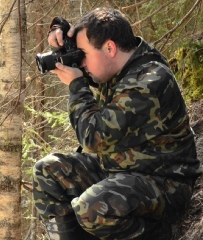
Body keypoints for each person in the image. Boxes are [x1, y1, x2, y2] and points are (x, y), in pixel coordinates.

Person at [32, 7, 201, 240]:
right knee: (47, 170)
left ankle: (159, 234)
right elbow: (92, 64)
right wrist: (62, 31)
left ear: (110, 48)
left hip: (164, 182)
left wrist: (77, 86)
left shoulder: (148, 81)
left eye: (84, 55)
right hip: (120, 168)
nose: (81, 64)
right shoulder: (121, 64)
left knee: (90, 208)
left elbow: (91, 137)